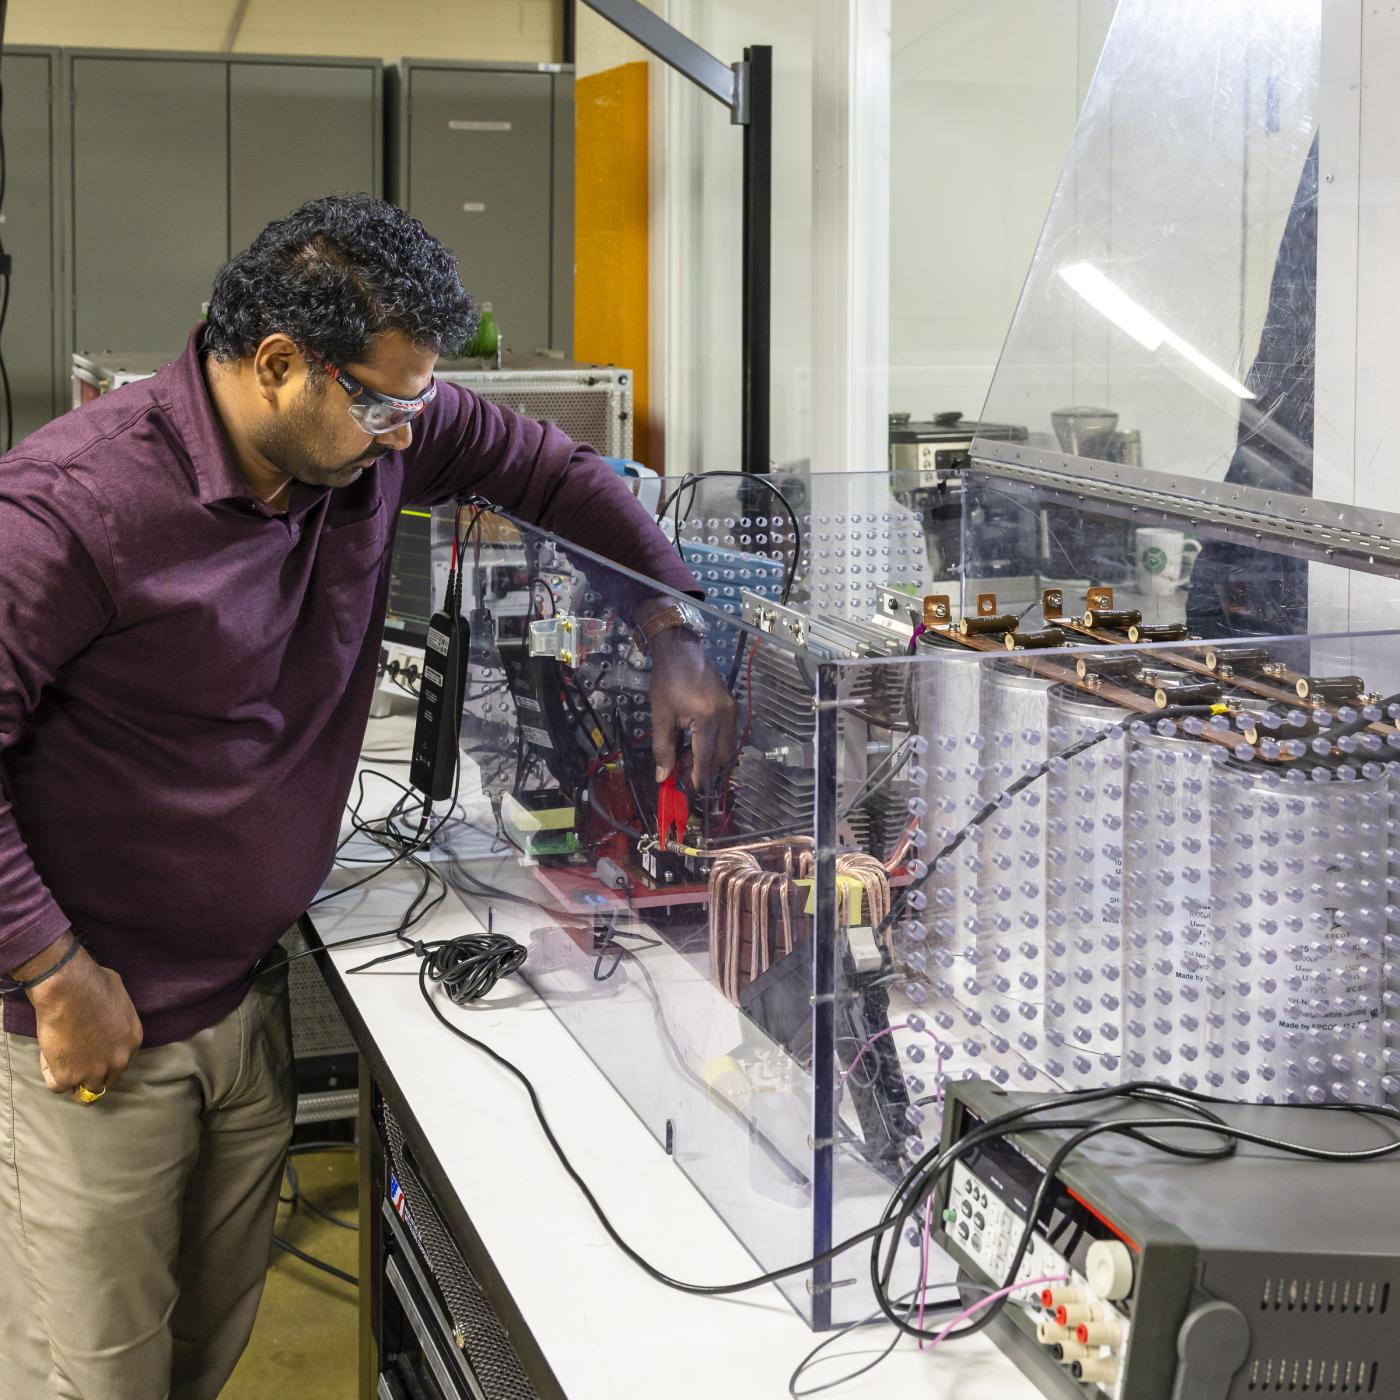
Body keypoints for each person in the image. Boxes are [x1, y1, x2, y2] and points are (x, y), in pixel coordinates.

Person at [0, 193, 737, 1400]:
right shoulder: (72, 508)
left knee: (197, 1356)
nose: (407, 435)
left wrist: (667, 622)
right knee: (89, 1380)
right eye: (385, 404)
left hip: (245, 999)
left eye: (419, 404)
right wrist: (47, 968)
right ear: (280, 364)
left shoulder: (356, 448)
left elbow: (552, 466)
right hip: (94, 1026)